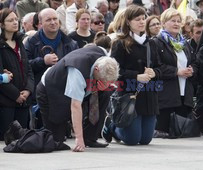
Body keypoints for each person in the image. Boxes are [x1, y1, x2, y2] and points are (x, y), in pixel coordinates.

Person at [36, 45, 119, 151]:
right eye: (103, 80)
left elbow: (105, 77)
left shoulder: (104, 56)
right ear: (97, 69)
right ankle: (24, 134)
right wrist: (79, 139)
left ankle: (90, 137)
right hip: (51, 90)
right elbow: (75, 105)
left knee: (105, 93)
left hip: (81, 86)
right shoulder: (77, 71)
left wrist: (106, 84)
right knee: (55, 141)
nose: (106, 84)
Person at [102, 5, 162, 145]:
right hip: (129, 95)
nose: (142, 22)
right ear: (128, 22)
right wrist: (136, 76)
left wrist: (155, 73)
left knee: (146, 140)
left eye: (143, 18)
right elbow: (114, 71)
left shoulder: (152, 43)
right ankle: (111, 127)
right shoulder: (120, 43)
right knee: (132, 140)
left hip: (149, 95)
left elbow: (160, 67)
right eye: (137, 19)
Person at [153, 8, 196, 138]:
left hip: (184, 93)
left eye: (179, 21)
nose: (177, 24)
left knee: (182, 133)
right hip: (167, 95)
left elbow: (194, 61)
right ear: (164, 23)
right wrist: (177, 71)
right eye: (173, 21)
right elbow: (156, 66)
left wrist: (192, 69)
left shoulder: (184, 43)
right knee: (166, 133)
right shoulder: (156, 42)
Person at [0, 9, 34, 140]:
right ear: (2, 24)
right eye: (10, 20)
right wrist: (16, 95)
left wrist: (28, 90)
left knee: (22, 138)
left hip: (24, 101)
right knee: (7, 139)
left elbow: (28, 69)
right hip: (6, 102)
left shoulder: (20, 41)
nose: (15, 22)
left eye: (16, 19)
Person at [25, 8, 78, 90]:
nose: (53, 22)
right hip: (39, 91)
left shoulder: (71, 43)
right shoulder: (31, 42)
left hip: (63, 91)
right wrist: (43, 61)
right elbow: (24, 65)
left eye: (55, 19)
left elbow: (76, 68)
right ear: (41, 23)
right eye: (48, 20)